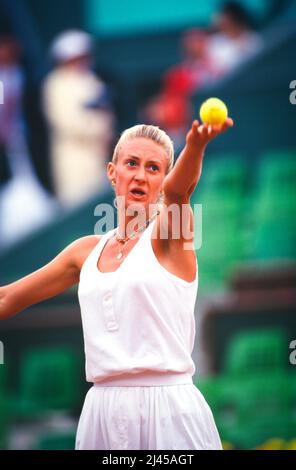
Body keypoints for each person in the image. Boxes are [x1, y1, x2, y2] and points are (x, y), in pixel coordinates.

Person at [0, 115, 233, 450]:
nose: (140, 175)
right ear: (113, 172)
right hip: (102, 412)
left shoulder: (171, 236)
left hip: (167, 409)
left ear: (163, 178)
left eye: (154, 168)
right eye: (132, 163)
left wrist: (195, 146)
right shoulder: (83, 252)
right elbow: (7, 299)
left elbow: (178, 191)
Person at [42, 30, 114, 209]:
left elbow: (107, 116)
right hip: (73, 159)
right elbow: (69, 124)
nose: (82, 61)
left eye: (85, 56)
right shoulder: (55, 84)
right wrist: (99, 128)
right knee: (76, 208)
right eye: (76, 57)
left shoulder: (93, 81)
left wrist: (104, 130)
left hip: (99, 158)